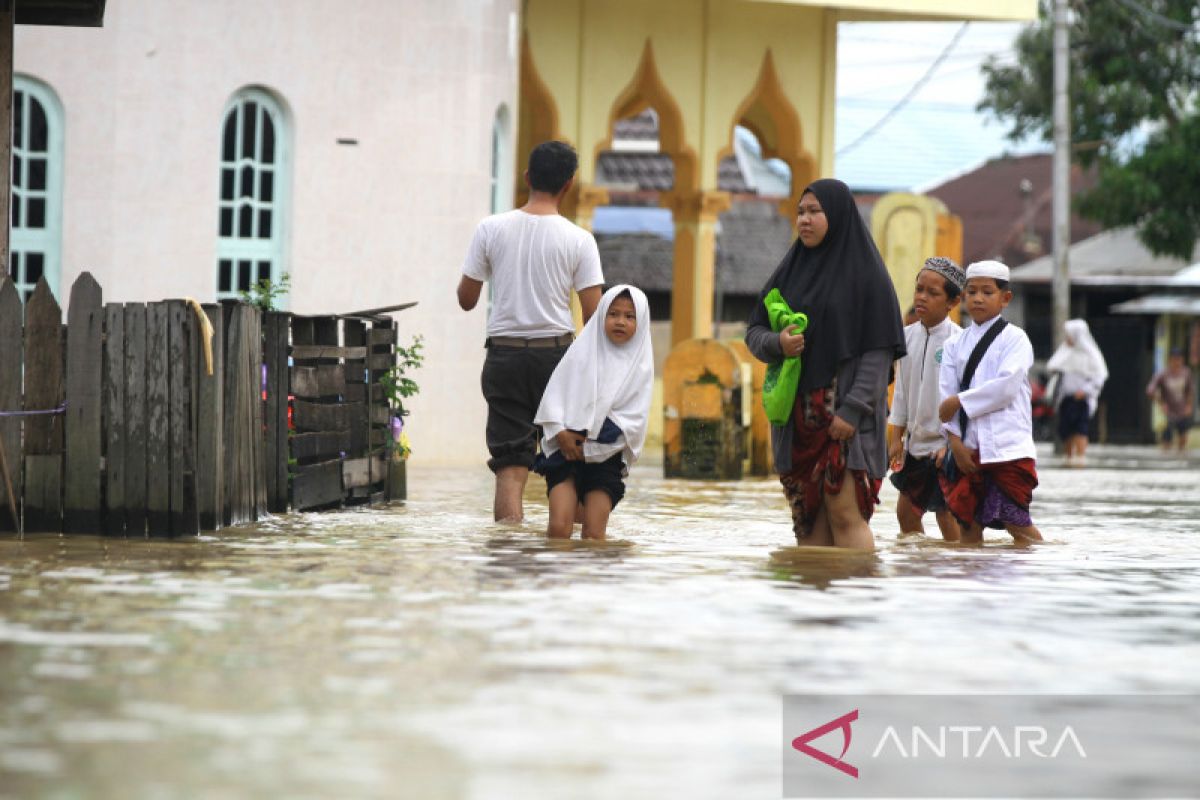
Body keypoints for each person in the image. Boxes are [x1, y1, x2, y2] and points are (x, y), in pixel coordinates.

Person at [745, 178, 905, 550]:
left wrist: (852, 411)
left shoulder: (869, 277)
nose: (805, 220)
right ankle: (813, 605)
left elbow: (878, 352)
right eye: (801, 212)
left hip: (844, 423)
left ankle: (855, 602)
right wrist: (778, 343)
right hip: (796, 423)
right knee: (807, 524)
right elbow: (754, 330)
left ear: (837, 215)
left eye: (815, 212)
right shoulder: (790, 272)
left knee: (845, 513)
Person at [457, 141, 605, 522]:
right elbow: (593, 316)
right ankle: (562, 557)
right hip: (557, 358)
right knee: (565, 461)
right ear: (569, 185)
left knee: (509, 469)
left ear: (526, 177)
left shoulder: (490, 228)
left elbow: (466, 299)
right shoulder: (580, 240)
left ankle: (507, 556)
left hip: (503, 356)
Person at [533, 285, 653, 540]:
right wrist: (561, 433)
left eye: (630, 316)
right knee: (559, 528)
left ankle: (590, 580)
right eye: (613, 314)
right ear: (601, 317)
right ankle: (555, 579)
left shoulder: (640, 371)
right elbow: (554, 400)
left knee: (594, 535)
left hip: (606, 459)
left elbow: (631, 423)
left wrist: (588, 445)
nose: (620, 321)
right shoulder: (579, 355)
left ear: (641, 322)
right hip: (564, 452)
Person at [937, 260, 1043, 545]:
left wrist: (960, 401)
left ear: (1005, 298)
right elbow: (944, 396)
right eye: (971, 292)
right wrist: (955, 444)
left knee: (1016, 523)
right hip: (968, 448)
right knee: (967, 525)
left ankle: (1033, 571)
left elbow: (1006, 388)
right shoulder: (953, 345)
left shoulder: (1016, 339)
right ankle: (971, 584)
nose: (978, 298)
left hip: (1008, 448)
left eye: (987, 292)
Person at [887, 257, 965, 541]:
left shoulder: (959, 342)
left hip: (945, 448)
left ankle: (953, 574)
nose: (922, 297)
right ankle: (917, 570)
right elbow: (902, 394)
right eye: (919, 289)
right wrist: (896, 437)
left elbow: (963, 402)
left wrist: (951, 444)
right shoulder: (905, 338)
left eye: (933, 293)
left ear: (952, 302)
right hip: (915, 446)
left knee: (948, 516)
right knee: (906, 513)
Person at [1046, 319, 1108, 467]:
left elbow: (1099, 376)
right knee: (1066, 429)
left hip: (1081, 399)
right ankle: (1069, 457)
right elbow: (1052, 366)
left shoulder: (1091, 355)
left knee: (1081, 429)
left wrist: (1086, 391)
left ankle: (1080, 457)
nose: (1067, 338)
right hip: (1065, 399)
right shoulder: (1065, 351)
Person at [1146, 349, 1195, 452]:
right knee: (1167, 440)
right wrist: (1161, 403)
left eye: (1179, 360)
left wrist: (1189, 406)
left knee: (1183, 440)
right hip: (1168, 413)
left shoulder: (1186, 373)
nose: (1176, 363)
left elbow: (1190, 391)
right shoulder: (1163, 374)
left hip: (1182, 412)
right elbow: (1150, 390)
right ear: (1170, 360)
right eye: (1174, 360)